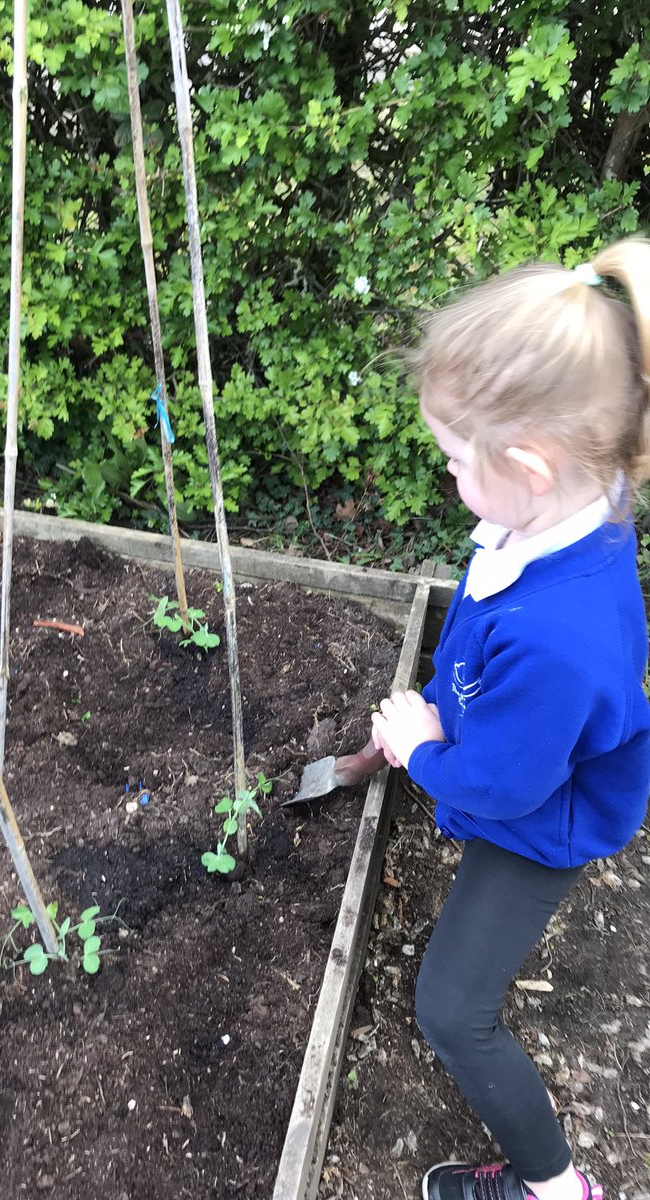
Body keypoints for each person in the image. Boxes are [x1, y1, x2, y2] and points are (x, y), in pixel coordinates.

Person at [370, 239, 650, 1200]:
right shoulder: (570, 508)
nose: (447, 476)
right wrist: (437, 712)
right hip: (527, 748)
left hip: (544, 821)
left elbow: (503, 784)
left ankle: (555, 1186)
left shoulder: (558, 640)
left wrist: (423, 751)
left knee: (452, 1010)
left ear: (530, 465)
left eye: (455, 459)